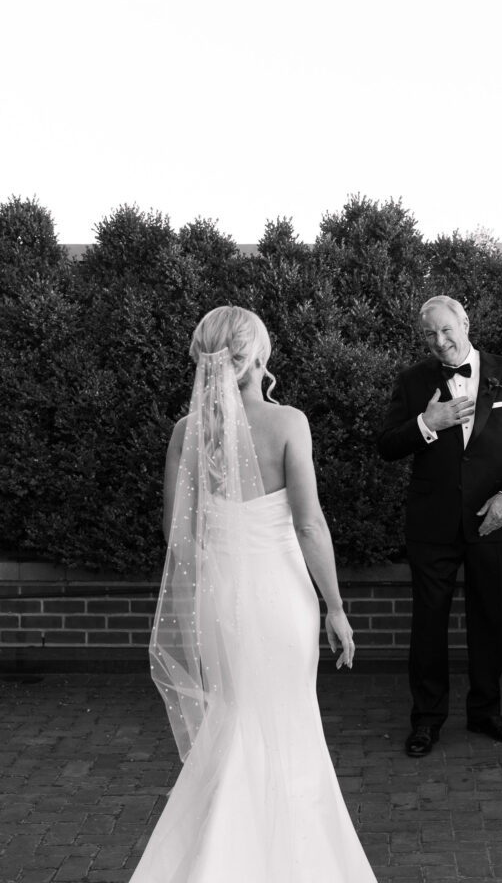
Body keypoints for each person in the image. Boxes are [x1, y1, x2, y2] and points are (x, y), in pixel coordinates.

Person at [130, 306, 377, 882]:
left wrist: (210, 591)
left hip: (221, 595)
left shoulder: (184, 433)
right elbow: (310, 525)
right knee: (289, 722)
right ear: (258, 357)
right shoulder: (289, 423)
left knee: (234, 718)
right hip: (281, 596)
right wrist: (336, 608)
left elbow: (177, 537)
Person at [377, 295, 502, 758]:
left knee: (490, 618)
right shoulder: (413, 382)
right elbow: (387, 444)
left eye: (446, 330)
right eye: (430, 335)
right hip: (431, 523)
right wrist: (425, 423)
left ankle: (485, 712)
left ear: (465, 323)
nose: (439, 341)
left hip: (493, 522)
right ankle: (427, 720)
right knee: (428, 624)